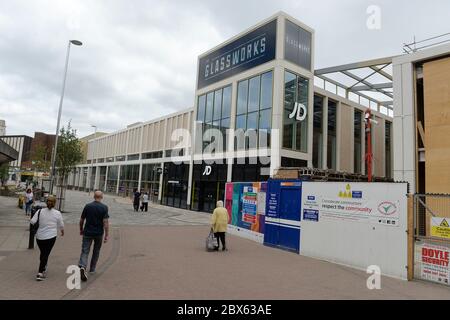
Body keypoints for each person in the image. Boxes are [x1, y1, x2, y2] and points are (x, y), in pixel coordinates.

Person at [30, 195, 64, 281]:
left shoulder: (40, 211)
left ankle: (43, 267)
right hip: (51, 237)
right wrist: (62, 231)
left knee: (43, 253)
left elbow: (32, 221)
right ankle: (40, 272)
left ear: (46, 202)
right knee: (45, 254)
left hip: (39, 237)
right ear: (54, 203)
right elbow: (61, 225)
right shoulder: (57, 213)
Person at [78, 190, 109, 282]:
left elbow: (81, 220)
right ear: (102, 197)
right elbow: (105, 223)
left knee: (85, 250)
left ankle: (83, 266)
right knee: (96, 251)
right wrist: (106, 234)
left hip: (87, 232)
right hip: (98, 233)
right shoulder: (104, 207)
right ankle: (92, 269)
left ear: (93, 196)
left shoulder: (88, 206)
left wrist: (81, 229)